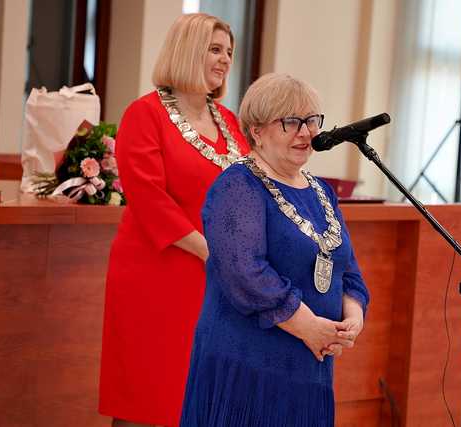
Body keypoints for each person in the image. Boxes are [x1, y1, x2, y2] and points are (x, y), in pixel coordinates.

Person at [179, 73, 370, 426]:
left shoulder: (321, 191)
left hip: (309, 369)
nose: (306, 132)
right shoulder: (238, 185)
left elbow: (347, 269)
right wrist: (310, 327)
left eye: (312, 120)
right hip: (248, 367)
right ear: (256, 131)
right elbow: (245, 273)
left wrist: (351, 320)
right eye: (290, 122)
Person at [98, 13, 250, 427]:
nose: (224, 60)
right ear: (187, 51)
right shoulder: (144, 114)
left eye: (229, 52)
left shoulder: (230, 122)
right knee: (149, 394)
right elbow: (148, 197)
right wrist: (210, 251)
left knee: (201, 393)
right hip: (157, 272)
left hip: (216, 279)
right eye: (214, 49)